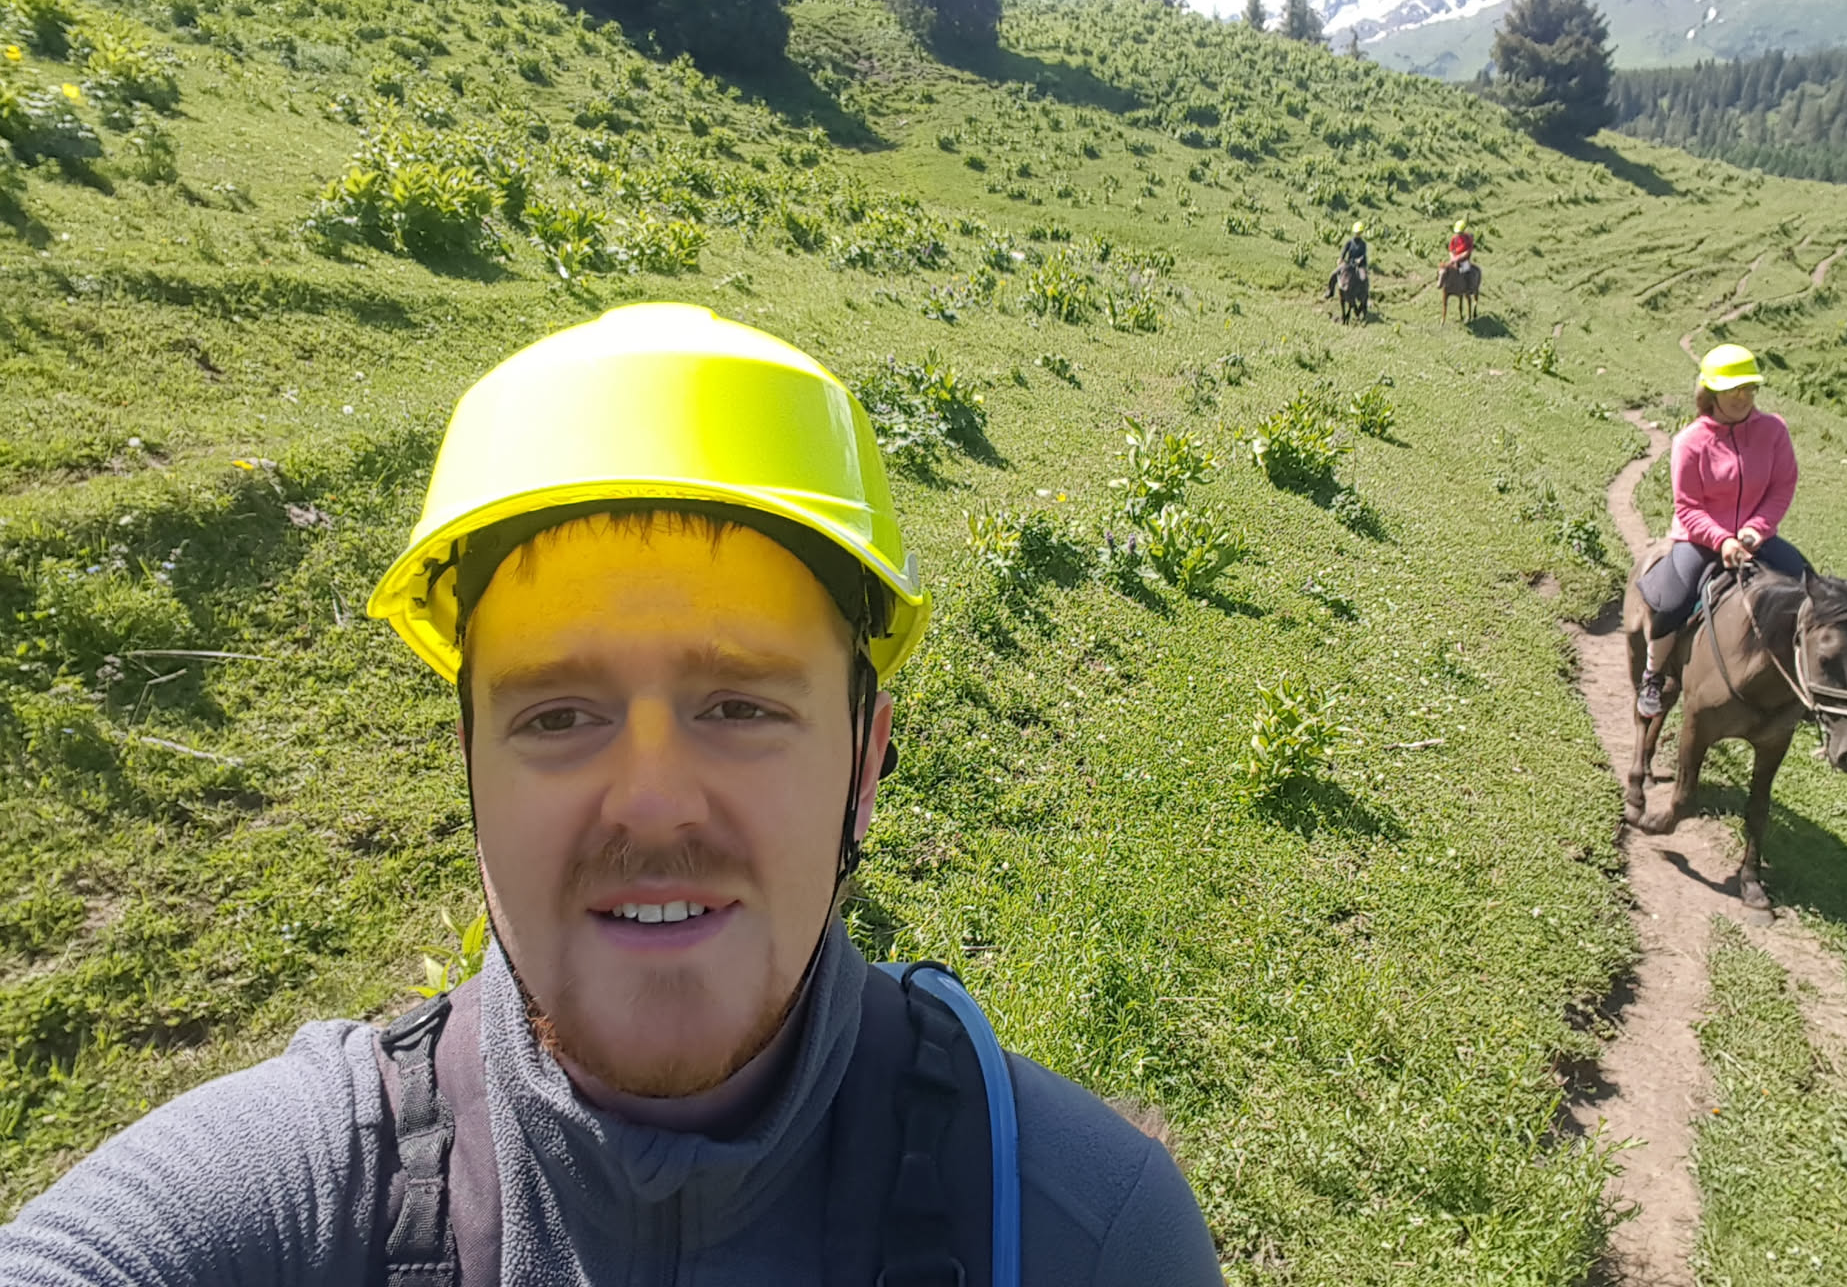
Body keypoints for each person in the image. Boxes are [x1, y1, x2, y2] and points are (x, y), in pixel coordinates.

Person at [0, 305, 1223, 1285]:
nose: (650, 805)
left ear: (863, 767)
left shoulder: (1091, 1235)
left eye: (739, 707)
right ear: (470, 767)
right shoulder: (306, 1194)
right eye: (559, 717)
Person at [1633, 343, 1810, 719]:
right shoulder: (1690, 442)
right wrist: (1722, 540)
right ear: (1711, 392)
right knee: (1671, 602)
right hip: (1699, 540)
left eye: (1749, 388)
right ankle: (1653, 675)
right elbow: (1688, 506)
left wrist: (1755, 530)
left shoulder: (1774, 431)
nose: (1742, 397)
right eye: (1733, 389)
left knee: (1813, 592)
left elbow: (1782, 487)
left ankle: (1806, 680)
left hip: (1756, 539)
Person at [1326, 220, 1369, 298]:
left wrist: (1359, 260)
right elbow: (1344, 250)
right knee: (1334, 273)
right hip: (1349, 263)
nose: (1358, 234)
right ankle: (1330, 291)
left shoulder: (1363, 244)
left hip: (1360, 265)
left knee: (1364, 278)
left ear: (1361, 233)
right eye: (1356, 233)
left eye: (1359, 233)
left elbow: (1363, 254)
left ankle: (1365, 296)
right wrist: (1341, 258)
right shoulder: (1350, 242)